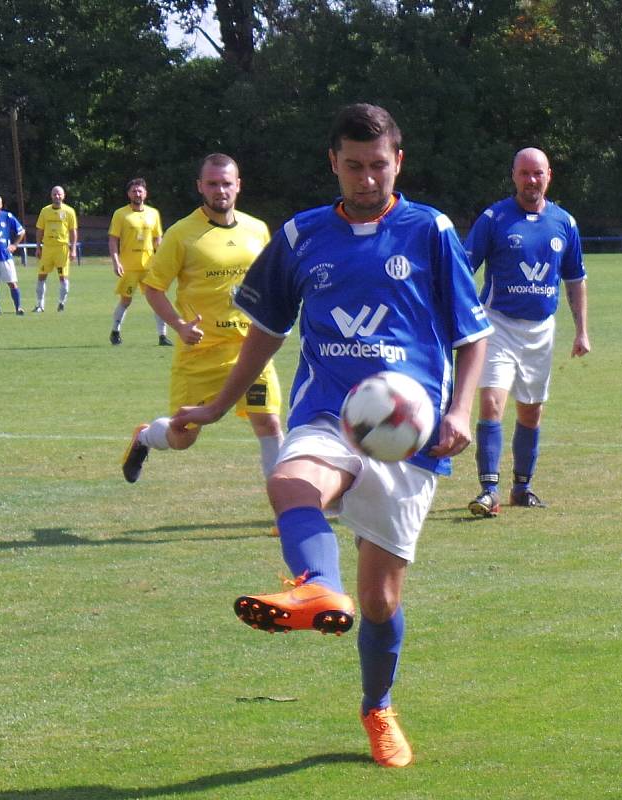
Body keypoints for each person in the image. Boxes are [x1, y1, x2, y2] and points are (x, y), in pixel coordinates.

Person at [169, 105, 492, 768]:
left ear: (397, 161)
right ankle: (315, 581)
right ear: (333, 163)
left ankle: (377, 707)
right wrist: (215, 405)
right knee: (289, 480)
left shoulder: (429, 230)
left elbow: (472, 335)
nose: (366, 178)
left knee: (378, 601)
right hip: (331, 414)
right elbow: (265, 332)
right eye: (353, 165)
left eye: (378, 165)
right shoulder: (299, 236)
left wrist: (459, 413)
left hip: (410, 434)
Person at [121, 153, 283, 489]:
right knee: (183, 437)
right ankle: (146, 437)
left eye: (226, 183)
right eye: (212, 183)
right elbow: (153, 288)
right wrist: (179, 325)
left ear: (238, 186)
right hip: (200, 354)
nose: (220, 190)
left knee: (268, 423)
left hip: (250, 351)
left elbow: (269, 283)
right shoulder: (182, 233)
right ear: (200, 187)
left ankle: (286, 512)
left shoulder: (258, 230)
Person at [465, 147, 590, 518]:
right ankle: (488, 491)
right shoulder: (494, 218)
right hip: (497, 324)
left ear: (548, 175)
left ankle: (522, 487)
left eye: (537, 173)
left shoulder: (564, 223)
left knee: (531, 412)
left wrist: (582, 330)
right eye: (524, 173)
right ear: (514, 175)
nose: (531, 180)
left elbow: (575, 279)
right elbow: (463, 267)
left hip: (541, 331)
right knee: (491, 403)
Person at [108, 177, 171, 345]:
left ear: (145, 193)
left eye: (140, 191)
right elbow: (113, 239)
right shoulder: (121, 214)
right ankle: (115, 331)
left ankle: (162, 336)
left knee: (158, 299)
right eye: (134, 191)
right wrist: (116, 261)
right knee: (126, 301)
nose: (137, 193)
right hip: (129, 267)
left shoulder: (153, 213)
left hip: (149, 266)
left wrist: (162, 260)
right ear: (129, 194)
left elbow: (158, 239)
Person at [33, 186, 78, 312]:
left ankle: (61, 303)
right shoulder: (45, 211)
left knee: (63, 277)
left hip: (62, 248)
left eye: (59, 194)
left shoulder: (69, 211)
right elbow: (39, 230)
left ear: (63, 196)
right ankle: (40, 305)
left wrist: (73, 249)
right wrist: (38, 247)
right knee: (41, 276)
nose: (57, 196)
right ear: (51, 196)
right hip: (47, 248)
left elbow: (73, 231)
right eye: (54, 194)